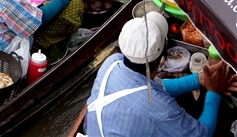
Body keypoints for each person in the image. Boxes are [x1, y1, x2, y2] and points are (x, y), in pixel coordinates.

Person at [86, 14, 237, 137]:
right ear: (162, 59)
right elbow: (203, 134)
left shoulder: (112, 62)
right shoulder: (162, 110)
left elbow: (160, 86)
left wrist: (200, 79)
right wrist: (214, 92)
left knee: (183, 95)